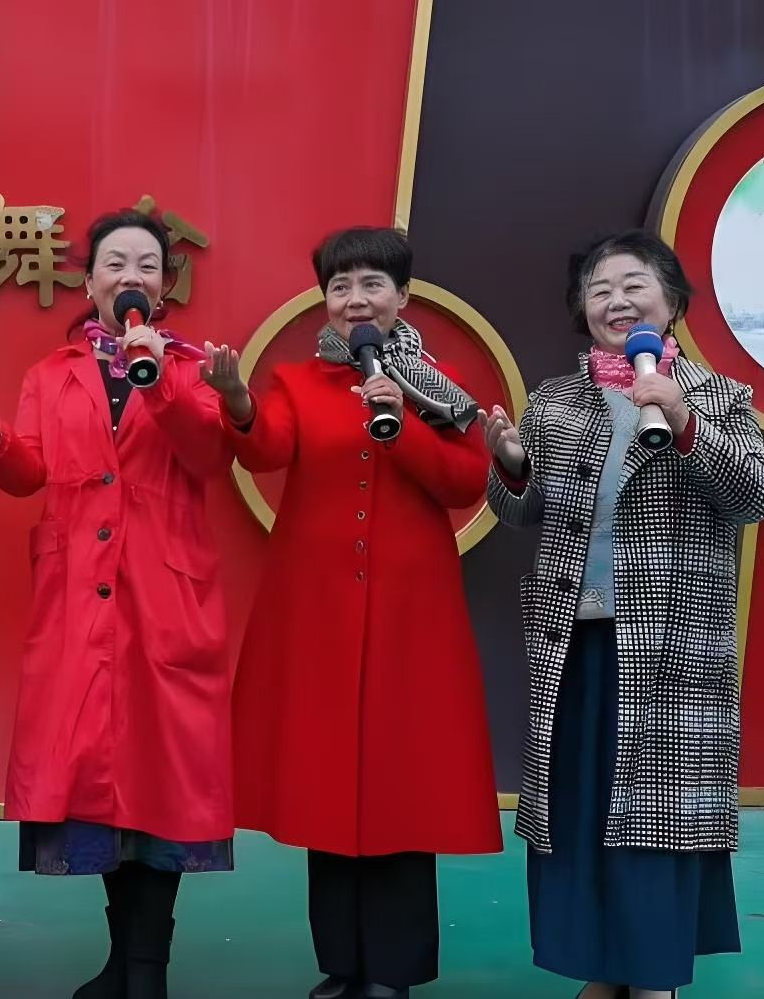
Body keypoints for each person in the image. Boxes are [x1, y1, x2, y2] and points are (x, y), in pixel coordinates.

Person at [0, 210, 247, 999]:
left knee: (161, 784)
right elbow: (27, 473)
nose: (130, 276)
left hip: (165, 595)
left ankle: (148, 971)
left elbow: (207, 454)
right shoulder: (51, 373)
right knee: (100, 787)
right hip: (78, 597)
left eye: (146, 264)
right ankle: (120, 962)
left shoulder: (189, 368)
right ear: (89, 279)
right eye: (115, 263)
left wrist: (158, 378)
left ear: (164, 287)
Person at [484, 231, 764, 999]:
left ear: (671, 302)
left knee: (656, 815)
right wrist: (511, 467)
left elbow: (757, 497)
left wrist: (684, 423)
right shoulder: (555, 401)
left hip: (674, 645)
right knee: (579, 812)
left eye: (632, 285)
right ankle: (602, 966)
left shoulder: (720, 397)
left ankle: (651, 975)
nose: (615, 301)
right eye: (599, 290)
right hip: (574, 643)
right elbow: (522, 512)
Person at [225, 227, 501, 999]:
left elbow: (464, 482)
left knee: (400, 790)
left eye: (372, 284)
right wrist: (239, 404)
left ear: (402, 296)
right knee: (328, 789)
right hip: (317, 612)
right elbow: (267, 448)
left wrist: (402, 421)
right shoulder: (295, 381)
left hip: (412, 616)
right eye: (340, 286)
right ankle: (342, 966)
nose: (355, 300)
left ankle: (394, 971)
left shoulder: (438, 384)